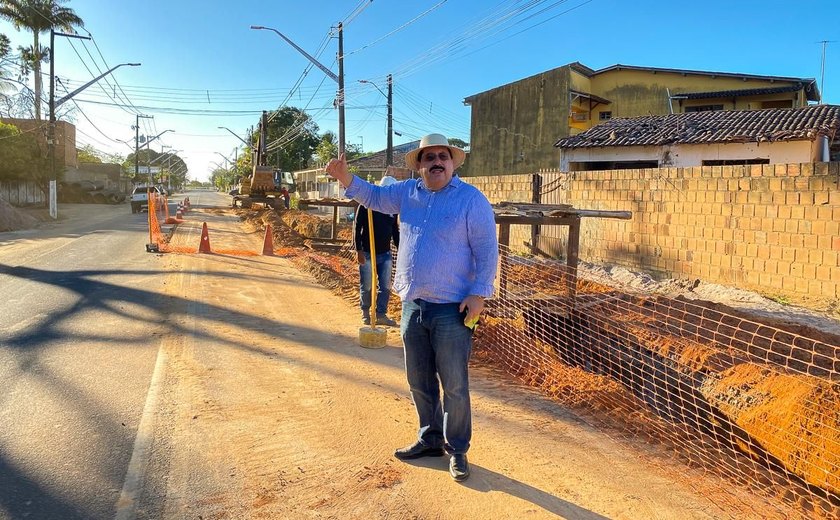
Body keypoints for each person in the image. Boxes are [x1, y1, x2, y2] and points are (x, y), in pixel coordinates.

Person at [326, 133, 498, 482]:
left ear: (452, 163)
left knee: (454, 385)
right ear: (419, 165)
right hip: (413, 306)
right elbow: (373, 196)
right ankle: (429, 438)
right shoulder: (407, 194)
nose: (436, 162)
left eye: (442, 156)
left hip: (454, 310)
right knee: (419, 380)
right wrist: (346, 178)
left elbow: (487, 250)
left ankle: (457, 449)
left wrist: (479, 294)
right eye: (429, 157)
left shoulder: (471, 200)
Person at [355, 176, 400, 327]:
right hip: (367, 252)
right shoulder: (367, 205)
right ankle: (365, 312)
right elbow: (357, 227)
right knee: (367, 285)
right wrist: (358, 250)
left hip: (385, 253)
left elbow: (395, 230)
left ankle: (381, 314)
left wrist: (400, 250)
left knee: (385, 286)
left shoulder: (393, 209)